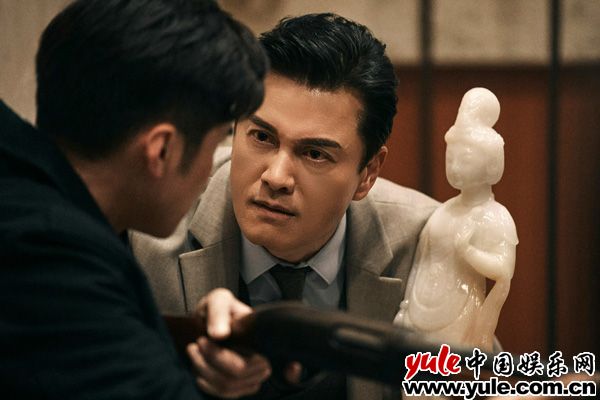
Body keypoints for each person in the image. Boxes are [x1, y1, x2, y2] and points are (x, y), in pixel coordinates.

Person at [132, 13, 438, 400]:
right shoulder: (148, 230)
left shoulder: (428, 242)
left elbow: (482, 382)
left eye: (314, 154)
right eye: (262, 137)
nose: (276, 177)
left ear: (368, 173)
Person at [0, 0, 269, 399]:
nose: (213, 169)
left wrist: (185, 341)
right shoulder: (54, 262)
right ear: (162, 150)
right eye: (217, 142)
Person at [395, 88, 518, 353]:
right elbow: (422, 262)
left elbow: (503, 270)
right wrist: (405, 308)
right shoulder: (443, 211)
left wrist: (469, 252)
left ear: (491, 164)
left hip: (462, 313)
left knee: (450, 372)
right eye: (450, 158)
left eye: (465, 159)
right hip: (421, 309)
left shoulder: (495, 217)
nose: (454, 167)